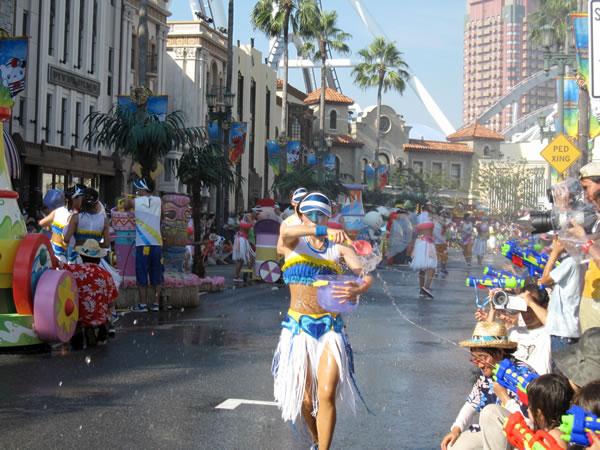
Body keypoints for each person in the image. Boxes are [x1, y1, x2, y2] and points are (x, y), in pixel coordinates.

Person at [274, 191, 374, 450]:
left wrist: (359, 288)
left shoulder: (338, 248)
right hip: (298, 329)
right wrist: (320, 230)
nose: (317, 219)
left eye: (323, 215)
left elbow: (366, 273)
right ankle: (317, 440)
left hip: (330, 328)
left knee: (326, 392)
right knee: (307, 401)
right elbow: (286, 234)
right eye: (311, 215)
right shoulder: (293, 241)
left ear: (330, 216)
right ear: (301, 215)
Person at [441, 321, 531, 450]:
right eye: (475, 359)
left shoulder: (522, 374)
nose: (480, 364)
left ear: (500, 352)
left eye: (483, 358)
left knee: (490, 412)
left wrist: (504, 396)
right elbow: (472, 403)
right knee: (453, 446)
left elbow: (529, 420)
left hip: (520, 436)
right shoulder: (486, 375)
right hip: (491, 432)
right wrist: (456, 428)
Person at [63, 239, 118, 347]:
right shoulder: (106, 275)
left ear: (82, 257)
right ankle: (101, 332)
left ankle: (79, 337)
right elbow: (111, 302)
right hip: (99, 316)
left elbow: (58, 265)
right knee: (104, 317)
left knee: (76, 320)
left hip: (80, 316)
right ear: (98, 258)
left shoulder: (74, 270)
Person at [123, 177, 164, 312]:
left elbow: (125, 207)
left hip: (143, 244)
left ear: (143, 189)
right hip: (157, 243)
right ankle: (156, 304)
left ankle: (142, 304)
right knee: (157, 273)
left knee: (142, 273)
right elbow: (162, 216)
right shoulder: (158, 201)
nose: (137, 191)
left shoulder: (136, 201)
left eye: (138, 188)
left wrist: (127, 197)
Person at [538, 236, 584, 353]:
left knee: (561, 368)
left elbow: (545, 279)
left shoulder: (570, 261)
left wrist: (554, 252)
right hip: (568, 329)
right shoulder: (579, 260)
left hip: (563, 330)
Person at [38, 184, 85, 263]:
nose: (82, 201)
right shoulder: (73, 217)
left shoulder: (57, 211)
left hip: (52, 249)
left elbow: (41, 223)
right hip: (65, 254)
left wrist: (51, 226)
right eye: (81, 199)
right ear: (74, 199)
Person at [526, 373, 574, 449]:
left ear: (540, 414)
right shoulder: (562, 430)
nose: (527, 409)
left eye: (530, 406)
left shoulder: (555, 436)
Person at [276, 187, 307, 256]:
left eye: (305, 200)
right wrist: (299, 254)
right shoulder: (287, 223)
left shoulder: (312, 221)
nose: (302, 203)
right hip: (293, 264)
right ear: (292, 202)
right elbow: (279, 249)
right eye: (299, 201)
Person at [410, 222, 437, 298]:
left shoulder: (419, 224)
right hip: (427, 244)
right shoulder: (430, 220)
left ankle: (422, 289)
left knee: (422, 268)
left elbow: (413, 228)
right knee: (431, 266)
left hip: (420, 242)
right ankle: (427, 287)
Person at [433, 209, 450, 274]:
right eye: (443, 212)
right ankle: (436, 270)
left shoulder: (447, 220)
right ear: (440, 212)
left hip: (444, 242)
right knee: (436, 256)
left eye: (445, 212)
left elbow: (448, 230)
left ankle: (443, 269)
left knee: (444, 256)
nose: (445, 213)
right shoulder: (435, 220)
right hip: (436, 242)